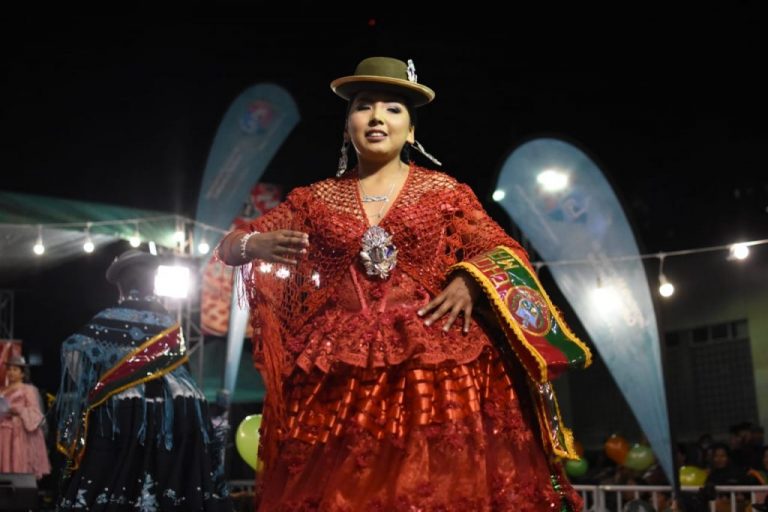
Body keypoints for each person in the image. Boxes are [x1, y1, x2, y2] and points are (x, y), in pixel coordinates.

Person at [217, 56, 589, 510]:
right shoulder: (313, 200)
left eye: (392, 109)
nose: (376, 117)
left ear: (411, 131)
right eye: (363, 107)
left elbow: (503, 250)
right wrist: (252, 244)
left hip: (438, 364)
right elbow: (228, 247)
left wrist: (469, 282)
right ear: (348, 126)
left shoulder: (445, 193)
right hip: (342, 371)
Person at [55, 249, 231, 511]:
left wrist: (98, 382)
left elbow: (73, 351)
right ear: (152, 282)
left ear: (121, 287)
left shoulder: (106, 319)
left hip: (124, 411)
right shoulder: (170, 323)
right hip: (180, 411)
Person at [0, 354, 51, 478]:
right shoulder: (2, 390)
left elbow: (35, 412)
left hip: (18, 433)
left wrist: (17, 409)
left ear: (22, 373)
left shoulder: (28, 389)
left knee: (17, 463)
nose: (11, 372)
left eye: (15, 369)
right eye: (9, 369)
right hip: (3, 431)